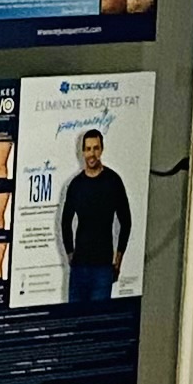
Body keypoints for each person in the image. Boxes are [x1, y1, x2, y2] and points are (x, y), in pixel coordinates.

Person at [59, 125, 128, 305]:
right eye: (88, 149)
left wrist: (118, 260)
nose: (92, 154)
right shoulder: (76, 185)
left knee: (98, 320)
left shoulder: (113, 181)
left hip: (103, 268)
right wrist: (70, 255)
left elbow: (126, 221)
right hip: (79, 267)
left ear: (102, 149)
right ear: (82, 152)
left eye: (96, 148)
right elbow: (65, 222)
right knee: (75, 320)